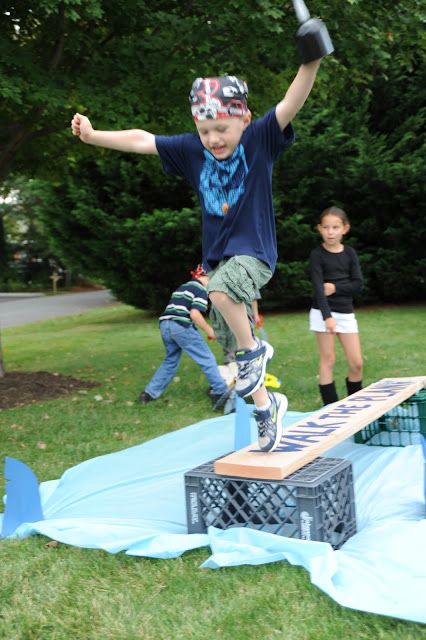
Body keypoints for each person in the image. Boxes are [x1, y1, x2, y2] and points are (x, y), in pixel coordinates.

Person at [71, 25, 331, 450]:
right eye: (206, 131)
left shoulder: (260, 140)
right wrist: (94, 136)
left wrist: (312, 60)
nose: (214, 140)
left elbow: (290, 102)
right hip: (219, 264)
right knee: (231, 344)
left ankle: (255, 353)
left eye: (223, 130)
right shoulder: (193, 150)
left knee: (226, 299)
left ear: (244, 119)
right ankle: (268, 409)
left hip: (254, 256)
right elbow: (142, 140)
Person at [138, 265, 230, 407]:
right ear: (206, 277)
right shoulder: (201, 289)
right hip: (180, 326)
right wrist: (209, 330)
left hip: (165, 325)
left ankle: (149, 393)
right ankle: (220, 392)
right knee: (206, 358)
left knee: (171, 361)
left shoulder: (184, 286)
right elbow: (194, 314)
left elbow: (179, 310)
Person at [309, 206, 363, 405]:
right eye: (326, 227)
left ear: (345, 229)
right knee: (328, 359)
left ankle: (356, 405)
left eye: (335, 227)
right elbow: (318, 289)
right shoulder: (317, 255)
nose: (330, 232)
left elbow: (358, 284)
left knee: (356, 363)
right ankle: (330, 409)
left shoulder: (350, 254)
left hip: (346, 313)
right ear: (319, 229)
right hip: (322, 313)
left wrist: (335, 288)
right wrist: (327, 317)